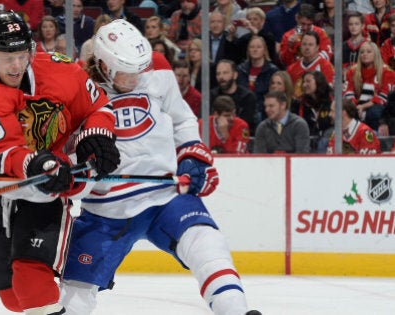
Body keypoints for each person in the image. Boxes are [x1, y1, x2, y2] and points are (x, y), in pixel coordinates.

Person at [59, 19, 260, 315]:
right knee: (73, 290)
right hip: (107, 210)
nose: (137, 77)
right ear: (103, 64)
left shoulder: (157, 67)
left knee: (208, 245)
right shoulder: (77, 85)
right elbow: (66, 145)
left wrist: (193, 155)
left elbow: (181, 119)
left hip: (165, 194)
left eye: (140, 69)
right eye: (127, 71)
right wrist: (76, 168)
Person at [0, 11, 120, 314]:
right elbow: (3, 151)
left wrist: (98, 136)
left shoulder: (61, 72)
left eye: (21, 55)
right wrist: (36, 163)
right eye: (7, 58)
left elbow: (99, 107)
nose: (16, 66)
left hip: (44, 192)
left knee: (31, 277)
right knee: (11, 297)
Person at [344, 40, 393, 131]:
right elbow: (348, 93)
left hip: (377, 108)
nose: (364, 54)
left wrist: (363, 107)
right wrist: (355, 107)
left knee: (374, 112)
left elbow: (384, 97)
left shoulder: (387, 71)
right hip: (356, 106)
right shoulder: (352, 71)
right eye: (362, 52)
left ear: (376, 54)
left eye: (369, 52)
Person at [236, 36, 279, 125]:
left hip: (263, 110)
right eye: (252, 47)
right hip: (244, 109)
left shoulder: (272, 70)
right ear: (248, 50)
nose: (255, 50)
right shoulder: (240, 69)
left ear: (264, 50)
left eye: (258, 47)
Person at [211, 59, 258, 134]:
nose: (221, 77)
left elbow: (247, 126)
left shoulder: (248, 97)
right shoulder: (211, 95)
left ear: (235, 75)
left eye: (225, 73)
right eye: (218, 74)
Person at [294, 70, 334, 153]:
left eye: (308, 81)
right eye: (303, 82)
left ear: (318, 81)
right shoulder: (301, 103)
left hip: (329, 139)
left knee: (323, 142)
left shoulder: (332, 100)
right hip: (309, 139)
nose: (304, 85)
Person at [286, 31, 335, 98]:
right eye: (304, 44)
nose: (307, 48)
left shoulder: (326, 67)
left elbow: (329, 93)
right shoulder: (291, 69)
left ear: (317, 47)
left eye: (310, 45)